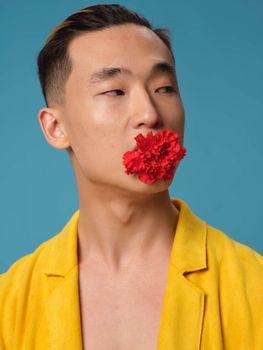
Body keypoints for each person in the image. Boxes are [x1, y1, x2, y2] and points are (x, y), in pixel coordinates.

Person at [0, 4, 262, 350]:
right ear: (56, 127)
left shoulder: (253, 286)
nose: (149, 115)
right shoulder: (10, 304)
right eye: (115, 91)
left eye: (164, 88)